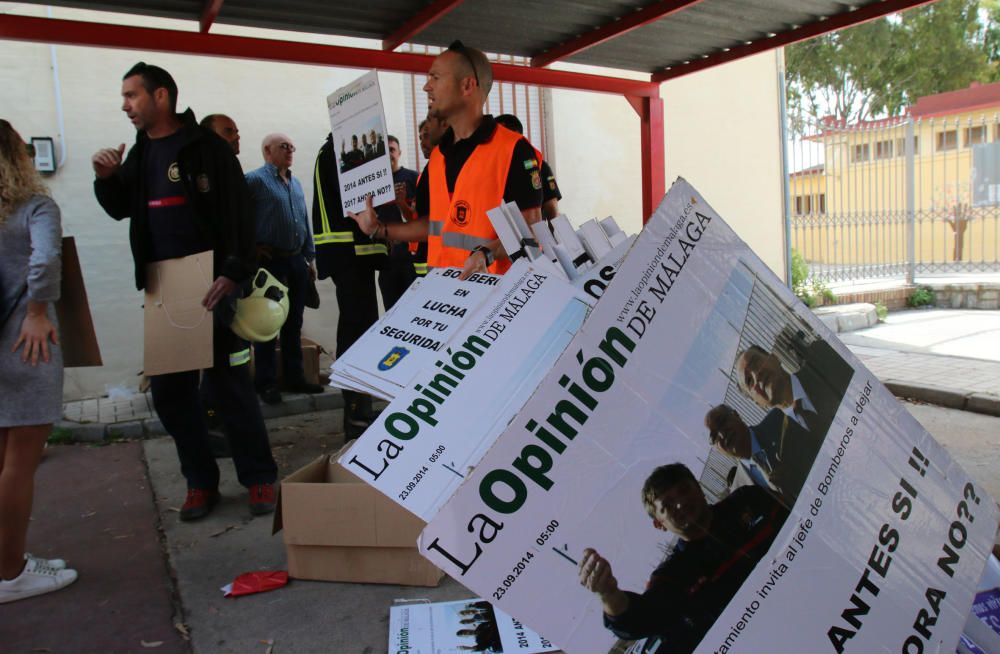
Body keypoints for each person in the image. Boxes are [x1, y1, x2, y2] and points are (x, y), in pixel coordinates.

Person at [92, 62, 278, 520]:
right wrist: (106, 179)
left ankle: (259, 478)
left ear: (162, 97)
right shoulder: (139, 153)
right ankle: (200, 482)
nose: (125, 106)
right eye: (124, 97)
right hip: (162, 287)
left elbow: (238, 215)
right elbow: (121, 209)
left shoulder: (205, 148)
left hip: (211, 283)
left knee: (229, 386)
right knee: (172, 395)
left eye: (132, 95)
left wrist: (233, 271)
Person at [350, 40, 544, 279]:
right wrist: (379, 229)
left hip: (496, 299)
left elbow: (532, 233)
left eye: (435, 77)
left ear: (467, 86)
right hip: (446, 295)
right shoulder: (439, 156)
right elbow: (434, 226)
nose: (426, 87)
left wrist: (486, 254)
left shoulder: (513, 150)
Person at [579, 463, 787, 652]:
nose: (680, 504)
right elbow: (640, 619)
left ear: (699, 488)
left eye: (683, 490)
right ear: (659, 524)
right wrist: (608, 593)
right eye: (667, 505)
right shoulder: (671, 575)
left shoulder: (748, 500)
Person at [0, 120, 79, 603]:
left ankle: (8, 560)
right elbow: (47, 259)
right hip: (27, 346)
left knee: (4, 462)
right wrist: (34, 311)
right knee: (19, 466)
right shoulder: (35, 207)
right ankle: (11, 575)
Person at [312, 133, 388, 438]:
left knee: (360, 330)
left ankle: (359, 410)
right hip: (349, 254)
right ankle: (356, 412)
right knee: (358, 333)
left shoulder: (332, 151)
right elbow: (360, 203)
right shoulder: (339, 153)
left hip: (351, 256)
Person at [245, 133, 323, 404]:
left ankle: (295, 377)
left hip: (295, 261)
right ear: (267, 150)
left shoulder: (296, 182)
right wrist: (250, 247)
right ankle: (265, 383)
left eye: (292, 146)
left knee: (294, 322)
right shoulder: (254, 181)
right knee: (268, 324)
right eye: (284, 147)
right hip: (269, 263)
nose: (291, 150)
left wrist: (309, 259)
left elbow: (303, 221)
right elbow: (237, 217)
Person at [704, 403, 822, 506]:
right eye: (714, 436)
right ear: (717, 449)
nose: (722, 434)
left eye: (722, 421)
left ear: (736, 415)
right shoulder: (739, 491)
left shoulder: (779, 423)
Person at [735, 339, 854, 437]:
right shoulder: (784, 451)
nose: (756, 375)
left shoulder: (826, 364)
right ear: (758, 403)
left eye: (756, 362)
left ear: (774, 358)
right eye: (749, 380)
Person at [375, 135, 420, 309]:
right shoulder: (374, 184)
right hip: (386, 261)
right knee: (391, 311)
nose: (388, 154)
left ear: (399, 152)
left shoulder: (413, 178)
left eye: (392, 150)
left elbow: (419, 220)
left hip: (410, 260)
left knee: (413, 310)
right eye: (384, 151)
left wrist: (401, 203)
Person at [494, 113, 562, 220]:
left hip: (529, 231)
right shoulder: (494, 168)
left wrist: (552, 235)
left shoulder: (540, 167)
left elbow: (552, 210)